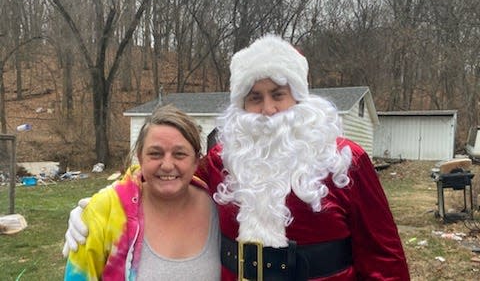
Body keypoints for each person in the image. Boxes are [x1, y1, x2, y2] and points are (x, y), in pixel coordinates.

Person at [64, 34, 410, 280]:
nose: (268, 110)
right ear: (241, 105)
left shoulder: (346, 161)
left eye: (278, 94)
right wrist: (94, 212)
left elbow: (385, 259)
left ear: (299, 98)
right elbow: (164, 173)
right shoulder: (220, 160)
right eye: (255, 98)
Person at [63, 105, 221, 280]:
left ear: (196, 160)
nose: (167, 165)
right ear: (140, 157)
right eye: (155, 154)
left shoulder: (221, 207)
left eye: (179, 154)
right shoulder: (106, 212)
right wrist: (93, 212)